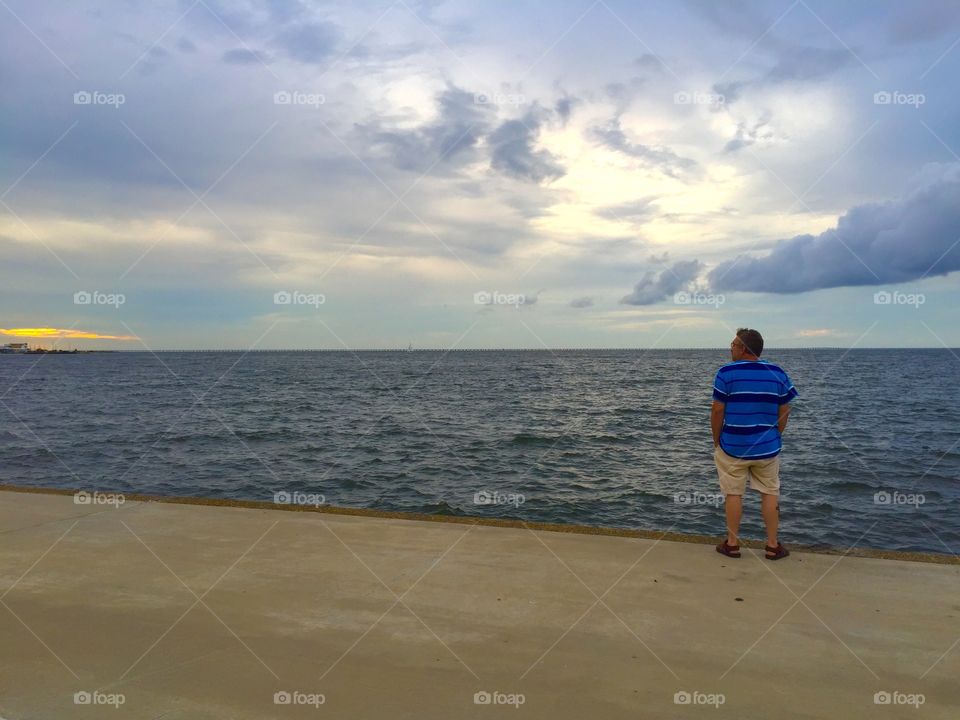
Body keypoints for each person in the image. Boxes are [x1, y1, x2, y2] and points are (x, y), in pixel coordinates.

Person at [711, 328, 798, 560]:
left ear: (743, 348)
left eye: (733, 344)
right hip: (767, 447)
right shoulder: (777, 372)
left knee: (733, 494)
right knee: (770, 493)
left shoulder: (725, 373)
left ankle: (732, 544)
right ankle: (772, 545)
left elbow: (718, 409)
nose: (730, 348)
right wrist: (775, 433)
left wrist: (716, 439)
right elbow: (785, 408)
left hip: (732, 445)